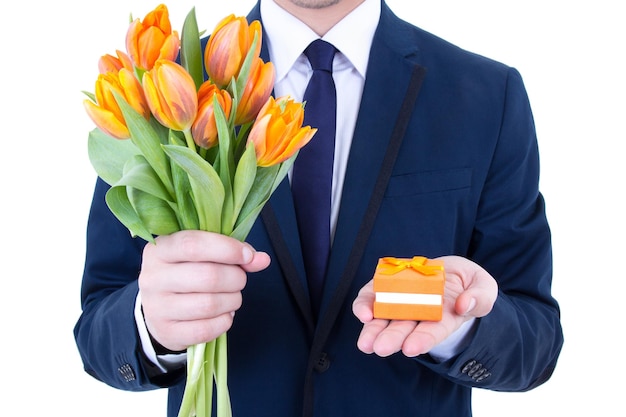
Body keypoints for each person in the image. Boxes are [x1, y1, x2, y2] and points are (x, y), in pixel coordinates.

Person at [74, 1, 564, 416]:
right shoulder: (159, 83)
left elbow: (536, 340)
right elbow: (97, 330)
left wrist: (462, 324)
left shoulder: (486, 95)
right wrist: (152, 324)